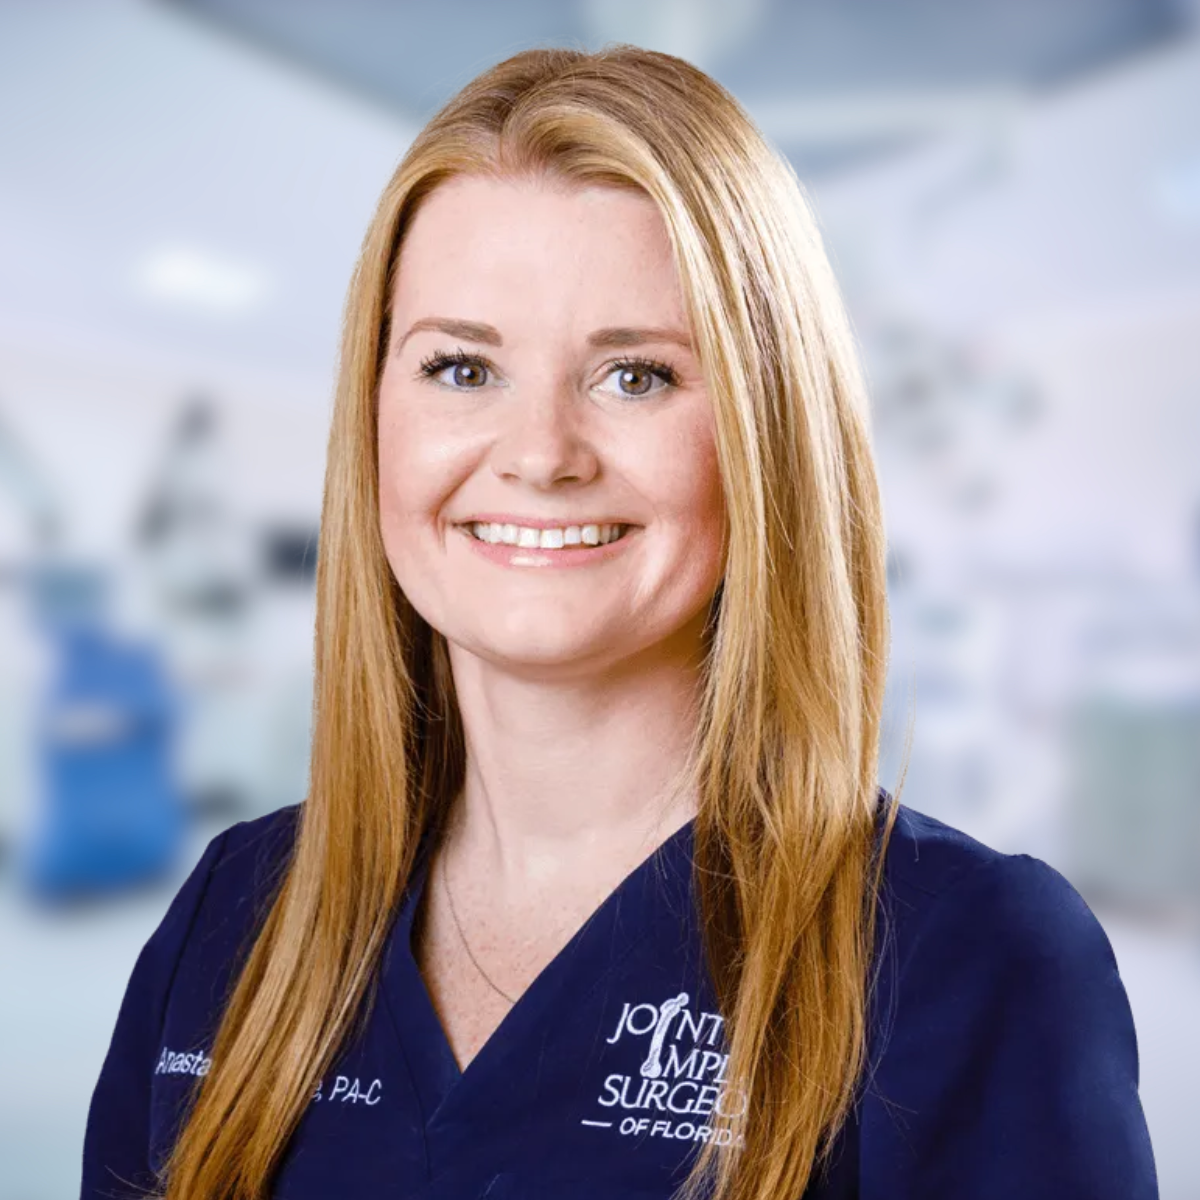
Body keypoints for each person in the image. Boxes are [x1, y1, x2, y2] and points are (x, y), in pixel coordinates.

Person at [80, 45, 1158, 1200]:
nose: (541, 454)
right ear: (375, 415)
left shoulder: (967, 956)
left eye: (635, 377)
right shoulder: (241, 915)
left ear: (765, 437)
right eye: (459, 368)